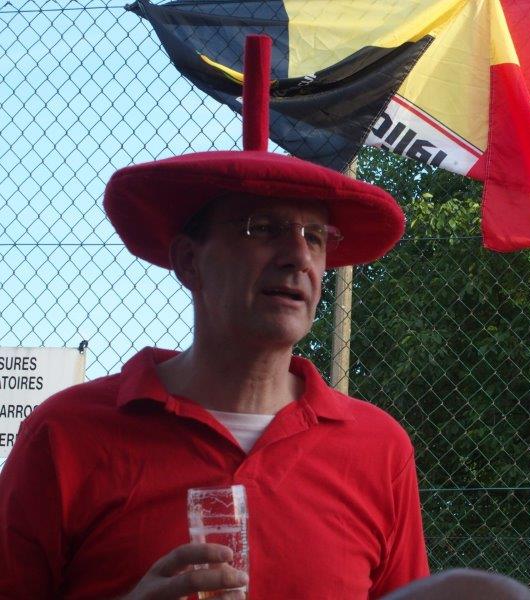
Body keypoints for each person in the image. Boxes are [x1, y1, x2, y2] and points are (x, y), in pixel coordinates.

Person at [0, 36, 428, 599]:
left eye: (315, 237)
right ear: (188, 261)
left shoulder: (377, 449)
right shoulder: (66, 435)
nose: (298, 256)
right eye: (263, 228)